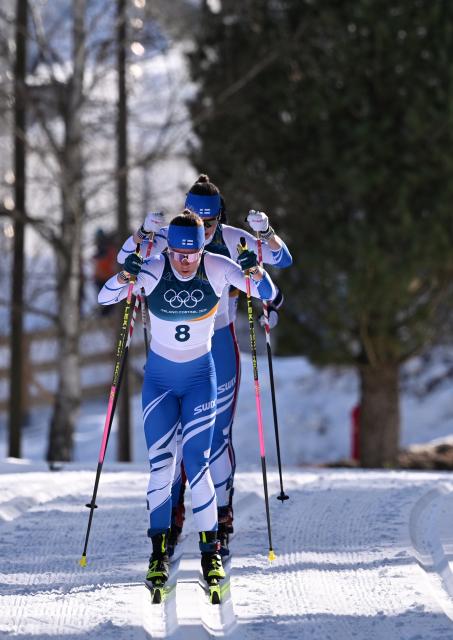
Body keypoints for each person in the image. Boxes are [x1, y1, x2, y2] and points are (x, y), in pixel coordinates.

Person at [98, 211, 276, 590]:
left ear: (202, 248)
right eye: (178, 252)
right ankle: (158, 552)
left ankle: (211, 553)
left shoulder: (217, 267)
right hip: (160, 383)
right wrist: (126, 276)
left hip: (199, 379)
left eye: (192, 252)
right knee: (161, 466)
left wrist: (255, 271)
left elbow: (270, 294)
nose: (184, 260)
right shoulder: (152, 269)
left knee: (198, 464)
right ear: (170, 248)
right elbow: (105, 296)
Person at [117, 175, 292, 556]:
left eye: (210, 221)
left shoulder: (231, 239)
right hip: (171, 351)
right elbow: (123, 261)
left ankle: (222, 517)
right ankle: (173, 514)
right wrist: (142, 234)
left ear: (220, 218)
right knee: (171, 442)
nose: (204, 227)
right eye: (196, 217)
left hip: (218, 347)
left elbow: (281, 260)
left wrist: (265, 235)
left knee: (214, 439)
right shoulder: (171, 238)